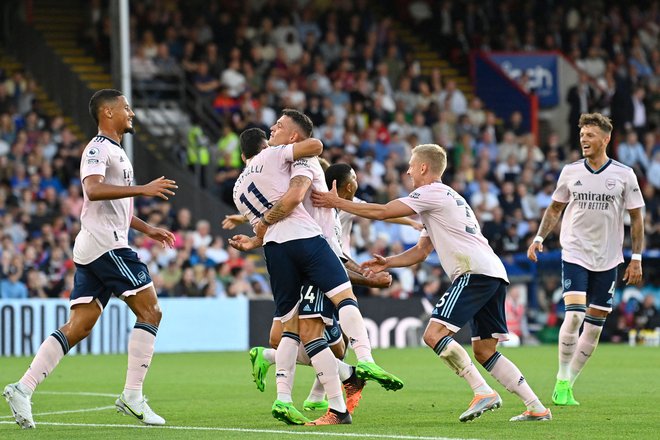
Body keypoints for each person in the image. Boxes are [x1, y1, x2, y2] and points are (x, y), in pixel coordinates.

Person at [312, 143, 552, 422]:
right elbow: (422, 251)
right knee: (485, 351)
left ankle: (482, 391)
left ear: (424, 167)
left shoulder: (430, 193)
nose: (408, 170)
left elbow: (384, 212)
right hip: (492, 272)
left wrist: (337, 202)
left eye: (412, 165)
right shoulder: (446, 198)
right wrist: (388, 261)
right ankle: (536, 407)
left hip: (474, 272)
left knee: (433, 334)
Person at [3, 89, 178, 429]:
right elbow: (93, 190)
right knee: (151, 311)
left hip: (97, 244)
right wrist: (142, 189)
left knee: (80, 326)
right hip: (106, 245)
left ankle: (22, 388)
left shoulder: (117, 152)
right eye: (126, 108)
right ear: (108, 113)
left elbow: (117, 209)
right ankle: (132, 395)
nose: (131, 113)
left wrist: (148, 228)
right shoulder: (97, 148)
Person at [230, 112, 402, 426]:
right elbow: (300, 183)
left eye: (279, 126)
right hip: (310, 244)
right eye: (272, 130)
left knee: (294, 331)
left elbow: (266, 218)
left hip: (274, 249)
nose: (273, 130)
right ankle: (361, 365)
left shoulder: (238, 185)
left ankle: (290, 398)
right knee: (339, 309)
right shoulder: (290, 159)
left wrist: (256, 237)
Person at [527, 113, 645, 406]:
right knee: (575, 315)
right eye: (582, 135)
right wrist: (539, 238)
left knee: (593, 328)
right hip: (575, 251)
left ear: (606, 139)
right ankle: (562, 376)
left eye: (590, 135)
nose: (584, 140)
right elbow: (555, 208)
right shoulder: (570, 171)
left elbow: (637, 218)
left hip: (609, 258)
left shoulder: (624, 174)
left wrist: (637, 257)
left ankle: (567, 384)